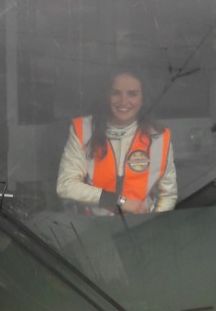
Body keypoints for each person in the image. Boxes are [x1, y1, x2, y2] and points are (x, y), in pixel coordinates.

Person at [56, 70, 177, 215]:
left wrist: (153, 222)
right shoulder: (83, 129)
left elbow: (167, 195)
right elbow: (66, 186)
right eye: (116, 93)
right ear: (106, 96)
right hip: (93, 225)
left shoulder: (158, 136)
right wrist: (119, 202)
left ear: (143, 99)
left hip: (142, 224)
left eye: (132, 94)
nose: (123, 101)